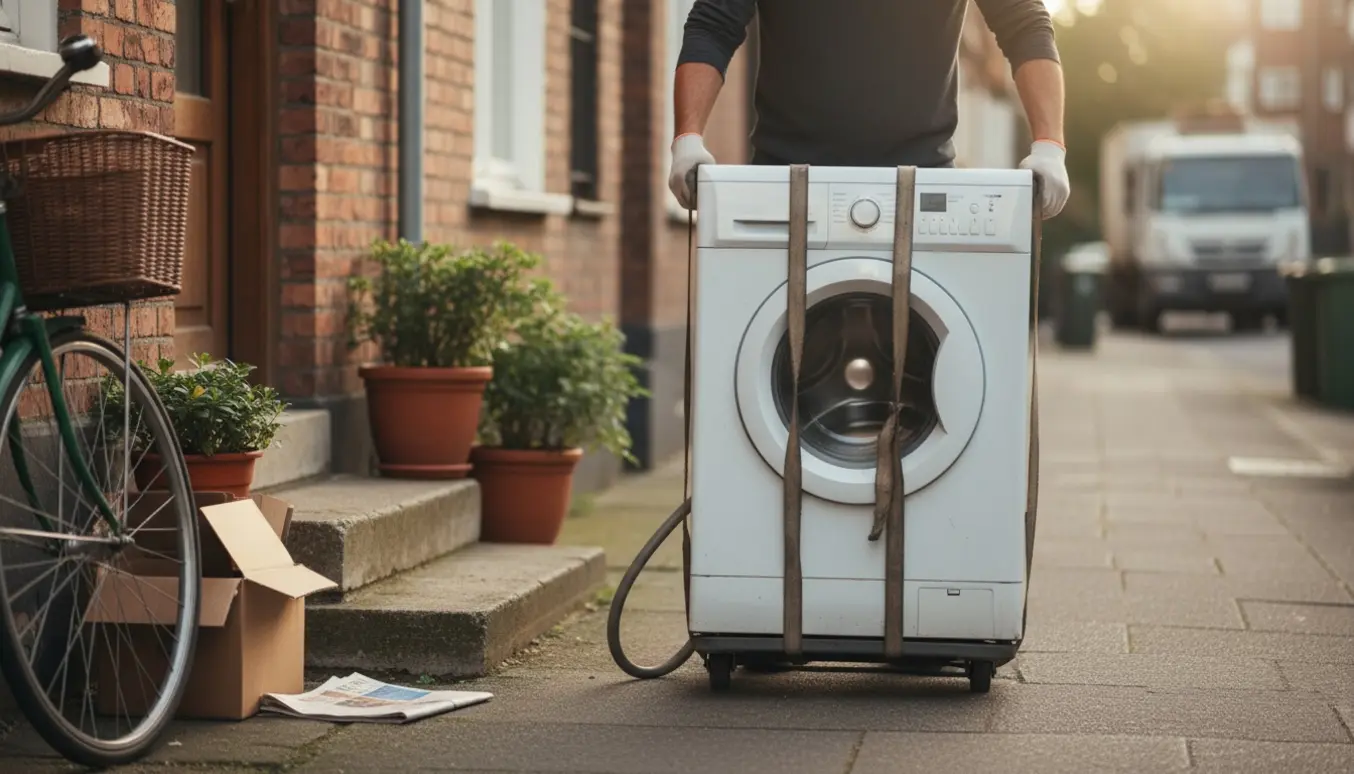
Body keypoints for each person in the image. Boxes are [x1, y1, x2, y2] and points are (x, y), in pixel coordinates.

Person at [668, 0, 1071, 220]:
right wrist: (687, 139)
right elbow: (713, 23)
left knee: (923, 364)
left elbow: (1026, 24)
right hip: (787, 189)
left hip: (919, 190)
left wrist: (1050, 146)